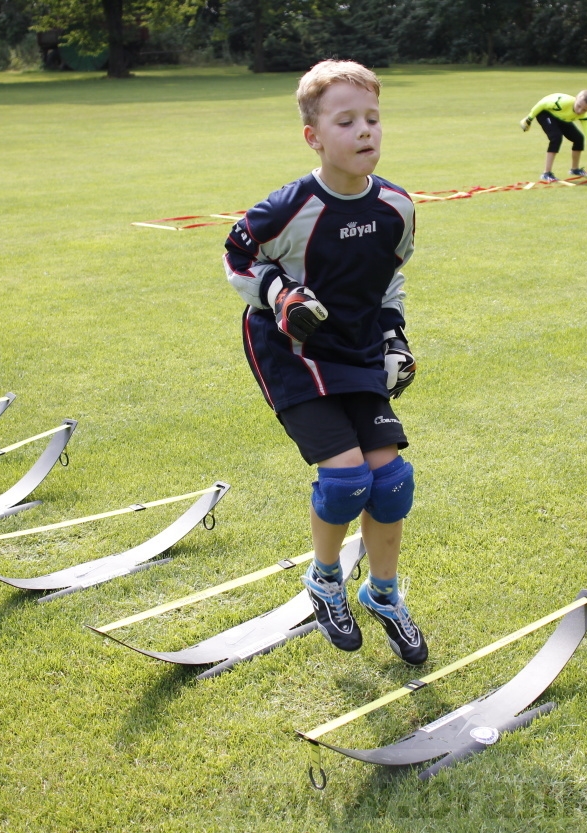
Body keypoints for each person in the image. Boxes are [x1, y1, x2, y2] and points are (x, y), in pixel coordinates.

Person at [223, 59, 428, 666]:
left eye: (372, 119)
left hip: (359, 349)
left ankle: (384, 594)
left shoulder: (398, 207)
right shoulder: (287, 208)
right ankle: (323, 579)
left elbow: (390, 281)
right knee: (345, 480)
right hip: (291, 352)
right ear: (314, 137)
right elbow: (238, 258)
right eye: (346, 122)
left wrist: (394, 340)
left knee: (390, 482)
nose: (365, 131)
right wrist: (280, 296)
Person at [520, 90, 587, 183]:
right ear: (576, 99)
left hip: (561, 117)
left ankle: (574, 169)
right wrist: (529, 119)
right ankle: (546, 173)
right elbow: (542, 104)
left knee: (579, 139)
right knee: (556, 137)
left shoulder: (583, 115)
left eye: (584, 109)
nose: (579, 111)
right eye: (578, 106)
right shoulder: (563, 102)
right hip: (545, 113)